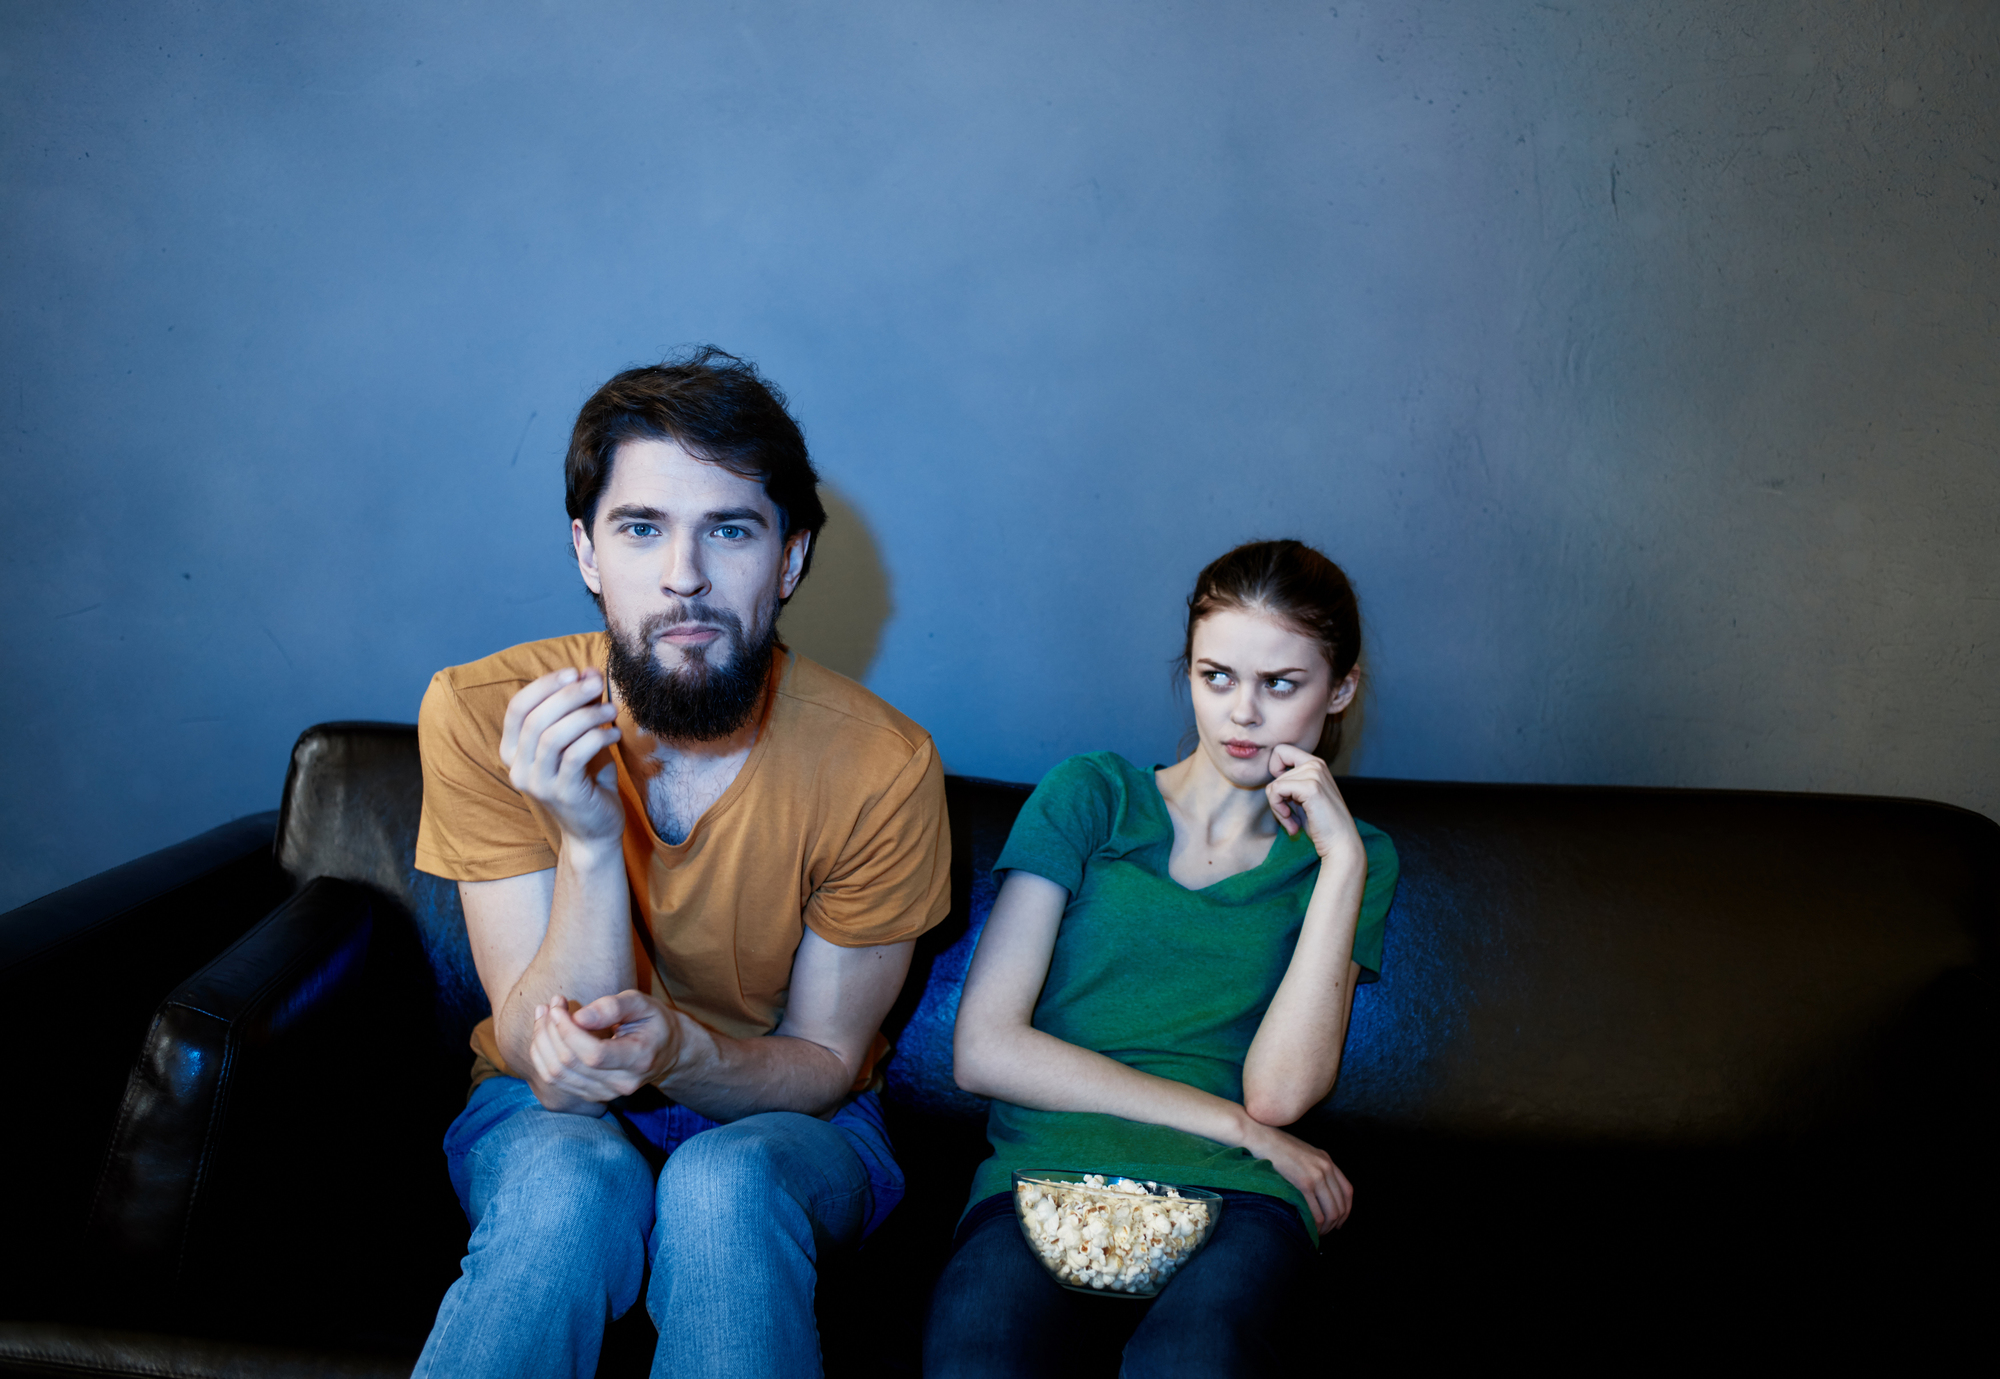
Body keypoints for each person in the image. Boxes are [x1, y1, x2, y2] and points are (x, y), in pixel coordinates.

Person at [410, 348, 950, 1379]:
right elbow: (542, 1053)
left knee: (722, 1187)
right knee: (565, 1186)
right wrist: (585, 835)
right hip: (540, 1109)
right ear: (585, 550)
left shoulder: (884, 764)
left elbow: (826, 1063)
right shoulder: (485, 713)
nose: (683, 576)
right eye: (641, 527)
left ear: (788, 559)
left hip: (790, 1115)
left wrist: (679, 1054)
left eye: (730, 529)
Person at [923, 539, 1399, 1377]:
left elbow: (1279, 1094)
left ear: (1342, 688)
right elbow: (983, 1048)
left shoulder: (1356, 858)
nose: (1242, 714)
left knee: (1195, 1355)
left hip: (1238, 1195)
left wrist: (1343, 865)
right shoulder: (1092, 794)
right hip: (1045, 1173)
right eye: (1216, 677)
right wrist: (1234, 1127)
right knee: (976, 1350)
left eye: (1280, 684)